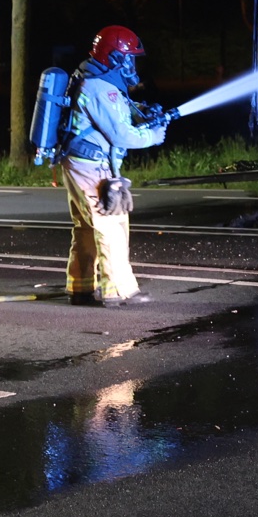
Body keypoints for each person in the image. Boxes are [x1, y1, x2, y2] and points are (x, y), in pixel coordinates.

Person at [61, 26, 174, 307]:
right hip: (93, 167)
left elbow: (114, 114)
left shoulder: (93, 79)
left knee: (86, 228)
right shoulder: (100, 88)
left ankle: (81, 286)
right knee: (112, 225)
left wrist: (143, 112)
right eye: (130, 58)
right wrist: (152, 136)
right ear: (116, 58)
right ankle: (118, 291)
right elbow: (121, 135)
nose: (133, 65)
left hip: (80, 163)